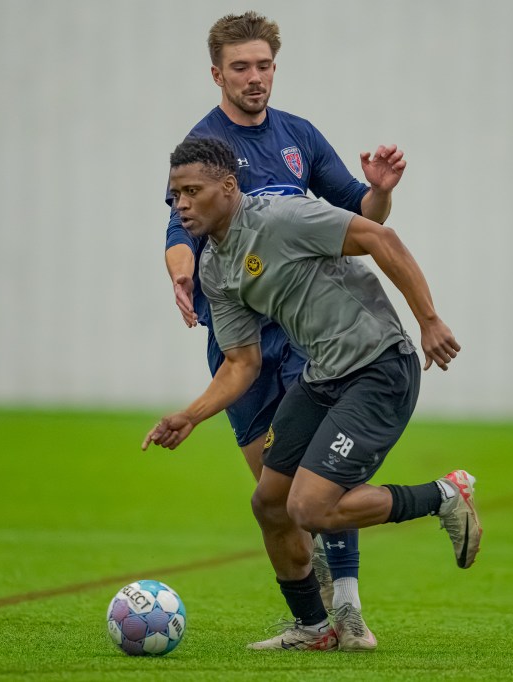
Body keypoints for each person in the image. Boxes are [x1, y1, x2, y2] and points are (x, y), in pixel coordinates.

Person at [145, 137, 481, 651]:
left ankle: (445, 496)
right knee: (270, 503)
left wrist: (429, 320)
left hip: (379, 368)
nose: (182, 204)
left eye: (193, 191)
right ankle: (313, 627)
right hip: (324, 376)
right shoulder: (215, 267)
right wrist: (191, 416)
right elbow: (242, 363)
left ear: (229, 187)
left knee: (311, 508)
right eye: (174, 196)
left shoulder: (282, 218)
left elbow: (381, 239)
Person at [163, 11, 406, 650]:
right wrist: (182, 269)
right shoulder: (203, 146)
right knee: (272, 498)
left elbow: (361, 215)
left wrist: (378, 191)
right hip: (239, 339)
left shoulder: (299, 135)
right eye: (240, 67)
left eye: (264, 65)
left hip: (304, 336)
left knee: (316, 480)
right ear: (217, 73)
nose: (254, 78)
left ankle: (347, 609)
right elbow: (176, 229)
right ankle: (314, 615)